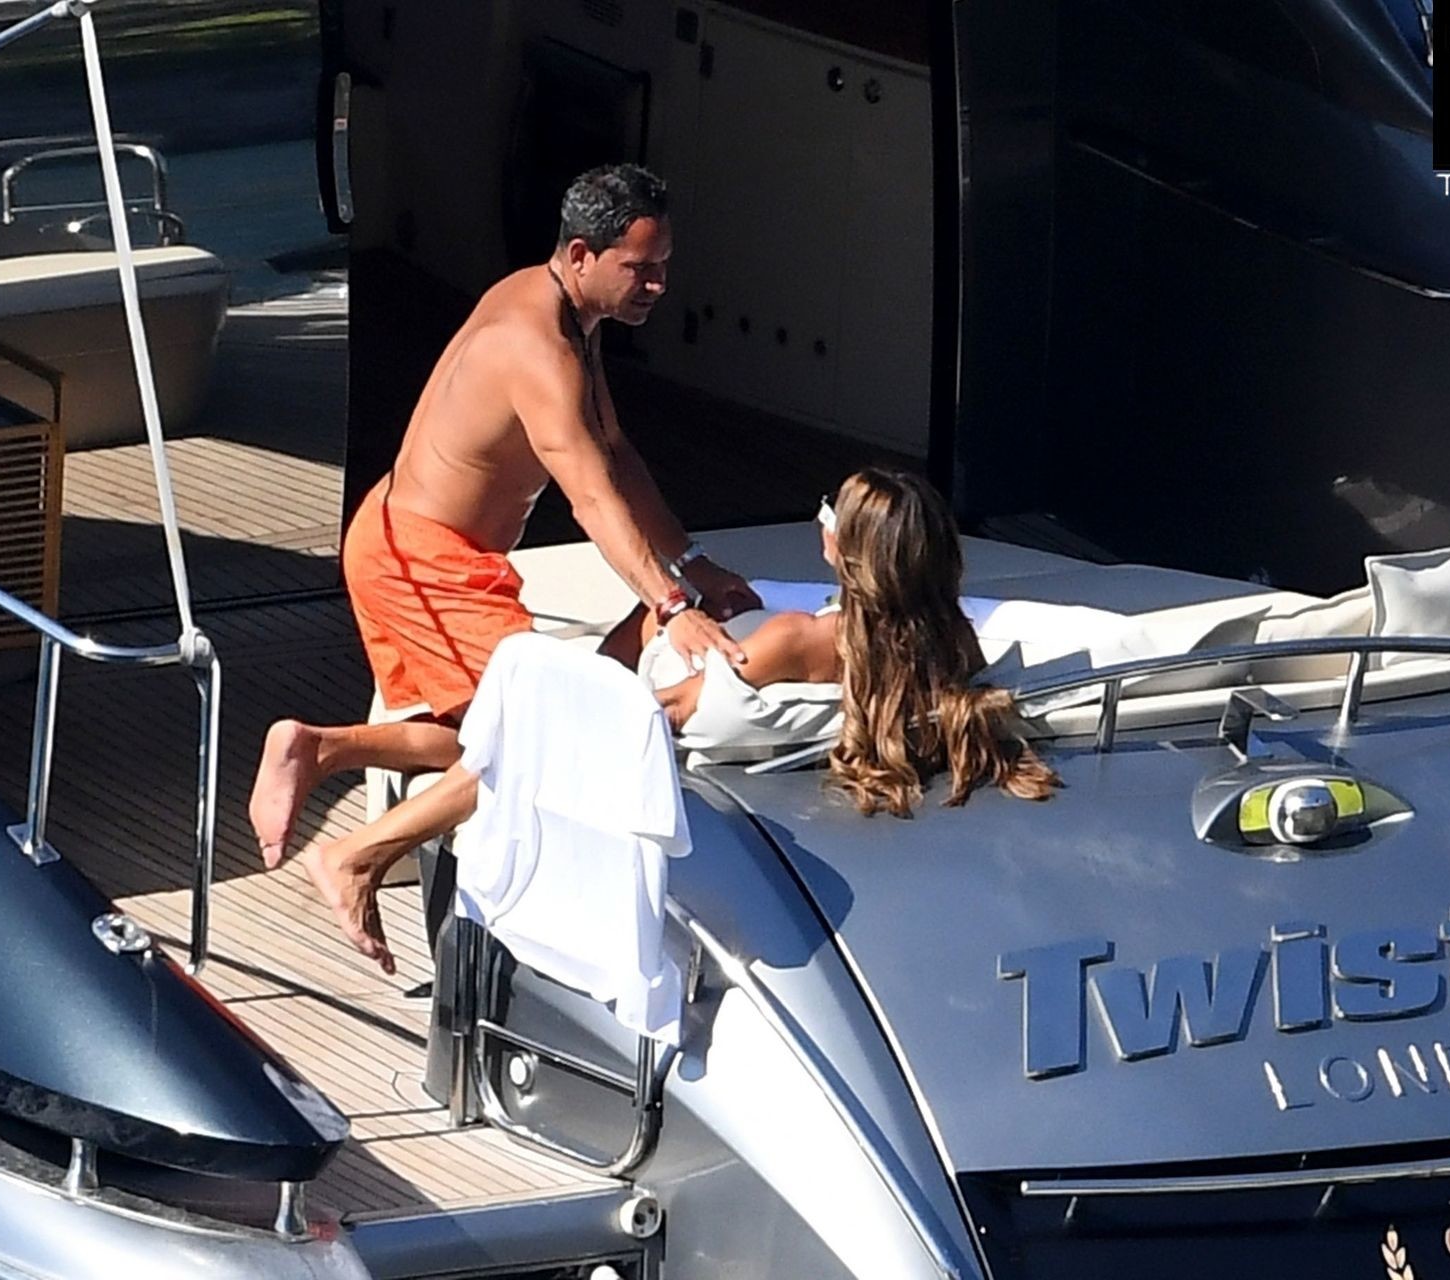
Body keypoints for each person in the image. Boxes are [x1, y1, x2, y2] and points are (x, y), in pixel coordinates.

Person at [307, 468, 1060, 971]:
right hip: (767, 737)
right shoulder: (951, 647)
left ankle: (359, 844)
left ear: (844, 549)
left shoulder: (795, 641)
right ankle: (333, 753)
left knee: (543, 722)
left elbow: (665, 711)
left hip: (663, 729)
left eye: (829, 513)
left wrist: (673, 625)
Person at [247, 164, 761, 878]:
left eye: (664, 266)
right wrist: (672, 605)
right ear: (581, 255)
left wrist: (690, 561)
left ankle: (321, 749)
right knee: (536, 735)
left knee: (492, 735)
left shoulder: (568, 312)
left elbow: (614, 451)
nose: (658, 285)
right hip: (419, 561)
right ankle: (355, 858)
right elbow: (592, 497)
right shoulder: (539, 346)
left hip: (439, 555)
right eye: (640, 269)